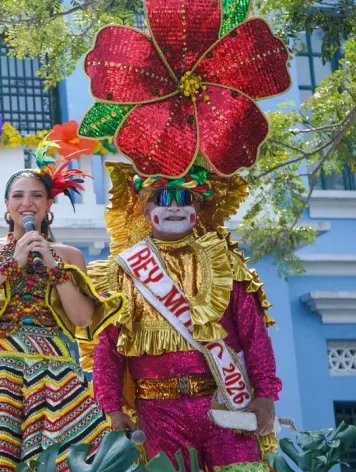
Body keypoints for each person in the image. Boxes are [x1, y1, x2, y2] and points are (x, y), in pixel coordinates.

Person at [0, 143, 126, 471]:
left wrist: (55, 269)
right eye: (18, 196)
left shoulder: (69, 255)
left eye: (36, 196)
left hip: (56, 375)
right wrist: (8, 265)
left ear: (48, 205)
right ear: (6, 205)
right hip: (1, 377)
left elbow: (82, 318)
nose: (26, 203)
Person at [85, 163, 283, 472]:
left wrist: (266, 394)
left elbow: (254, 336)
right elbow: (108, 348)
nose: (174, 206)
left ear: (199, 206)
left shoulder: (224, 262)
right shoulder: (123, 272)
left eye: (185, 198)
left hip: (226, 403)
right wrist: (110, 407)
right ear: (145, 206)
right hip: (157, 414)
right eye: (163, 198)